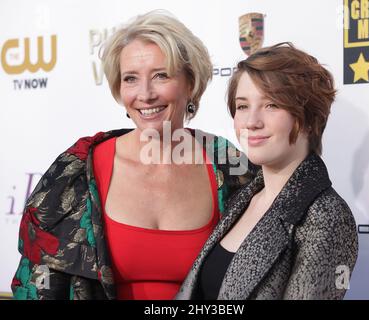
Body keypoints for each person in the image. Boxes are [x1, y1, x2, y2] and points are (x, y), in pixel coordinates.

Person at [10, 10, 257, 300]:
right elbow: (34, 289)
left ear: (190, 83)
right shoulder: (75, 171)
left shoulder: (229, 166)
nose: (145, 94)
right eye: (130, 79)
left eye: (161, 75)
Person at [176, 42, 359, 300]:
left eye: (271, 104)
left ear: (308, 118)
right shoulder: (243, 197)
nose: (251, 122)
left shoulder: (326, 216)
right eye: (242, 106)